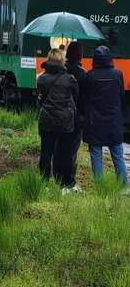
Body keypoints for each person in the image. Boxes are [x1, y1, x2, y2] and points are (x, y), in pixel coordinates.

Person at [83, 45, 128, 187]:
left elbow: (85, 97)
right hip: (114, 121)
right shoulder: (118, 74)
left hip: (95, 121)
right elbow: (121, 94)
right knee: (118, 156)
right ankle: (123, 186)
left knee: (96, 155)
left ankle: (100, 186)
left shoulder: (90, 75)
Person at [37, 48, 78, 188]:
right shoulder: (69, 79)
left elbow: (41, 98)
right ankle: (65, 183)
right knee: (65, 153)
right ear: (62, 60)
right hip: (65, 121)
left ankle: (44, 183)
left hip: (46, 120)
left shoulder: (41, 78)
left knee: (46, 152)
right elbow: (76, 96)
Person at [60, 42, 86, 190]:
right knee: (72, 150)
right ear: (80, 55)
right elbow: (83, 97)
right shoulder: (83, 73)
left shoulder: (61, 71)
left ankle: (58, 178)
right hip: (77, 117)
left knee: (60, 148)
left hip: (61, 115)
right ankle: (70, 181)